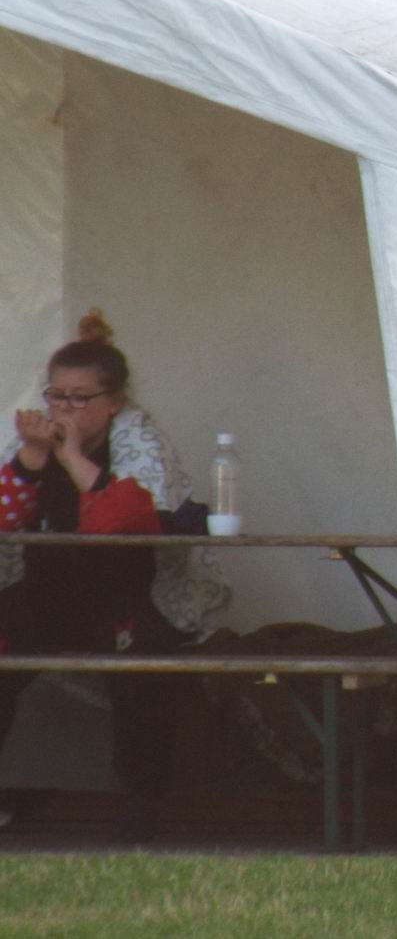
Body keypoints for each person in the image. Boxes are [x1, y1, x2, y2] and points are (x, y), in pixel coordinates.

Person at [0, 309, 184, 842]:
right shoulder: (35, 442)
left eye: (81, 398)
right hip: (46, 594)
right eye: (56, 396)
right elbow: (5, 517)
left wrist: (73, 456)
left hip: (127, 596)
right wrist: (33, 458)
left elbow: (121, 520)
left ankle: (144, 801)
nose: (64, 408)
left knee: (142, 672)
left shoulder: (141, 443)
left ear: (114, 402)